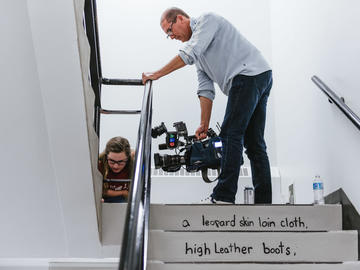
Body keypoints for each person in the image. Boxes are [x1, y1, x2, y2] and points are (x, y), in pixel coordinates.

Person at [142, 7, 272, 204]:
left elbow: (189, 53)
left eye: (169, 31)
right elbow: (206, 90)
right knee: (254, 144)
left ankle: (223, 196)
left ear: (180, 18)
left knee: (229, 135)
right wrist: (204, 123)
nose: (171, 37)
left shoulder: (207, 21)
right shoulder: (200, 56)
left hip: (247, 75)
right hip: (258, 75)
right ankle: (264, 203)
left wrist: (157, 74)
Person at [98, 136, 134, 203]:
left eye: (120, 162)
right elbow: (99, 191)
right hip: (103, 199)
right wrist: (123, 192)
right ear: (106, 157)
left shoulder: (133, 163)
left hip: (122, 200)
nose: (116, 166)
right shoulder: (99, 164)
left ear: (127, 159)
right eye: (112, 161)